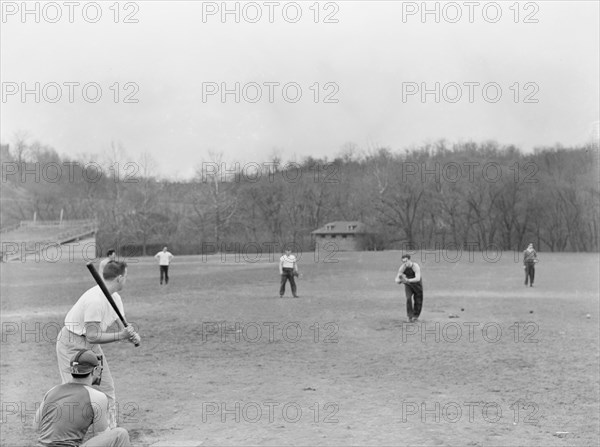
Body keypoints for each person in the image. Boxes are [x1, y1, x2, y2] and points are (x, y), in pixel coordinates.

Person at [56, 261, 140, 430]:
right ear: (120, 278)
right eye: (126, 276)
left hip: (91, 347)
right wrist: (121, 336)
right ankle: (69, 434)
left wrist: (131, 335)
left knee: (106, 386)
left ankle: (109, 431)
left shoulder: (115, 297)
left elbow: (121, 324)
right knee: (76, 391)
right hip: (72, 344)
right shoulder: (95, 299)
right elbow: (93, 336)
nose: (126, 280)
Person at [36, 349, 132, 446]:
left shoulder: (52, 391)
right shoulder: (97, 396)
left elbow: (36, 426)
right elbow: (101, 433)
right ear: (94, 370)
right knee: (120, 434)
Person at [395, 254, 424, 322]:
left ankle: (415, 316)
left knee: (418, 300)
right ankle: (409, 316)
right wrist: (400, 281)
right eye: (403, 262)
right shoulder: (402, 268)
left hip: (417, 284)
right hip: (408, 285)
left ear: (409, 260)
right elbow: (397, 279)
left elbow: (417, 278)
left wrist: (407, 280)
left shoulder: (415, 266)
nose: (405, 263)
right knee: (408, 298)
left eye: (406, 261)